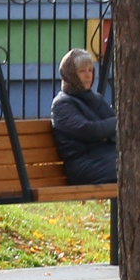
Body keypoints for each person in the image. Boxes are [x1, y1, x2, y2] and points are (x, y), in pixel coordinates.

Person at [49, 46, 117, 185]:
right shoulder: (62, 104)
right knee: (131, 168)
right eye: (81, 71)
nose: (88, 75)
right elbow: (89, 130)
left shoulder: (95, 99)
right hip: (84, 164)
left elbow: (110, 126)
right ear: (70, 75)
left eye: (90, 70)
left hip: (107, 157)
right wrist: (119, 123)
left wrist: (112, 127)